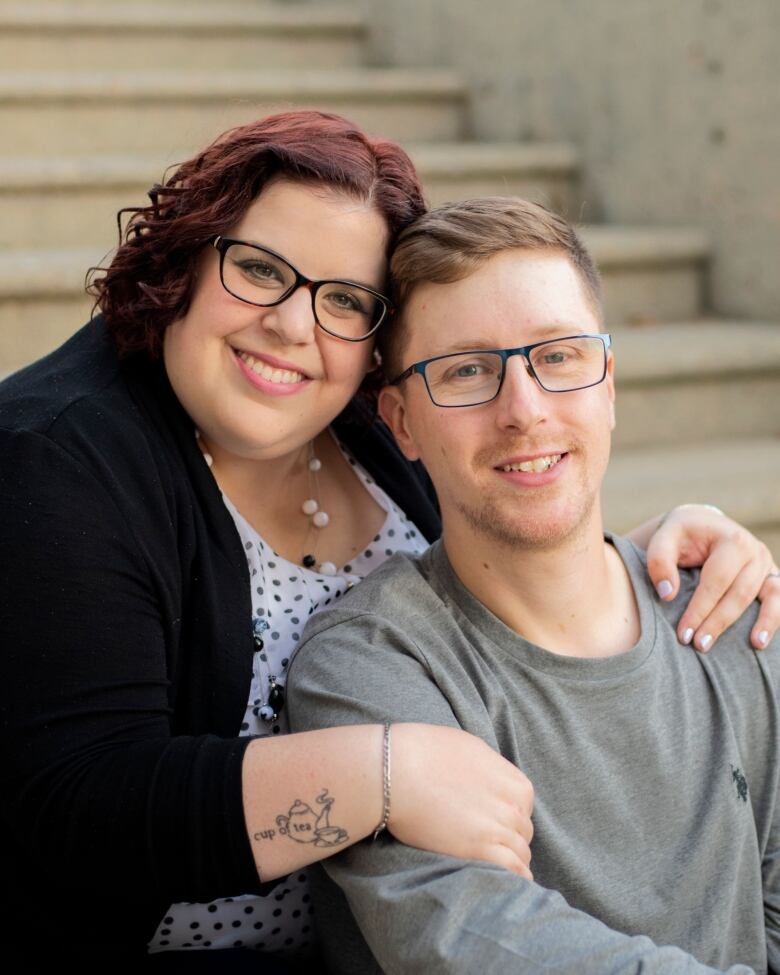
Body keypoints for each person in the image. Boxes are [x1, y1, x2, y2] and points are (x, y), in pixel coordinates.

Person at [0, 113, 776, 972]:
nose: (295, 326)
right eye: (259, 269)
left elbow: (501, 494)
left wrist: (635, 564)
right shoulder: (58, 454)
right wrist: (382, 772)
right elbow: (79, 805)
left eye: (343, 299)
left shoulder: (357, 417)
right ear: (187, 255)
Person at [286, 197, 780, 975]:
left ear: (608, 383)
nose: (524, 410)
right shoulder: (369, 666)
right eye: (467, 371)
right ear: (403, 423)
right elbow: (475, 940)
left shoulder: (726, 606)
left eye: (558, 356)